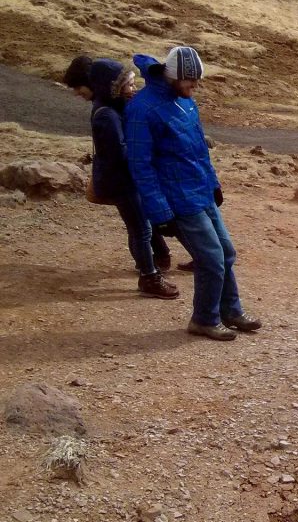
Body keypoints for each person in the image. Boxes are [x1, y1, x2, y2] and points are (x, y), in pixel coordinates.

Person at [125, 46, 261, 341]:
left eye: (197, 81)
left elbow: (199, 149)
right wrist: (159, 213)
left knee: (226, 252)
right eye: (190, 81)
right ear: (174, 76)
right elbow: (140, 166)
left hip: (201, 191)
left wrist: (214, 185)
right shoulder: (142, 109)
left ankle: (230, 311)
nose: (194, 87)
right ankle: (204, 319)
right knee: (211, 258)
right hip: (178, 198)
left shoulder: (185, 101)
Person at [66, 54, 180, 273]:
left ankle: (158, 259)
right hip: (122, 181)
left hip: (126, 178)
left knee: (143, 222)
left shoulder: (115, 106)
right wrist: (146, 153)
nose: (133, 88)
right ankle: (149, 274)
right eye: (128, 84)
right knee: (140, 228)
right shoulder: (107, 114)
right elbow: (120, 152)